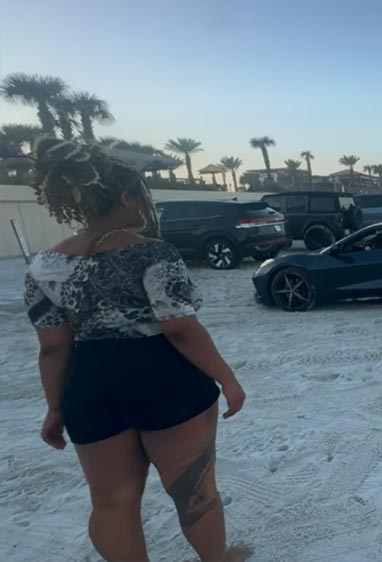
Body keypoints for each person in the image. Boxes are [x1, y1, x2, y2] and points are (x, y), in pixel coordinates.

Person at [23, 138, 249, 562]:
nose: (146, 206)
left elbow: (52, 348)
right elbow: (179, 328)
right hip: (165, 377)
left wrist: (55, 407)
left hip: (90, 385)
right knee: (194, 490)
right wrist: (228, 379)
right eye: (142, 196)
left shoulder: (44, 265)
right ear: (126, 197)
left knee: (112, 502)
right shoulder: (153, 252)